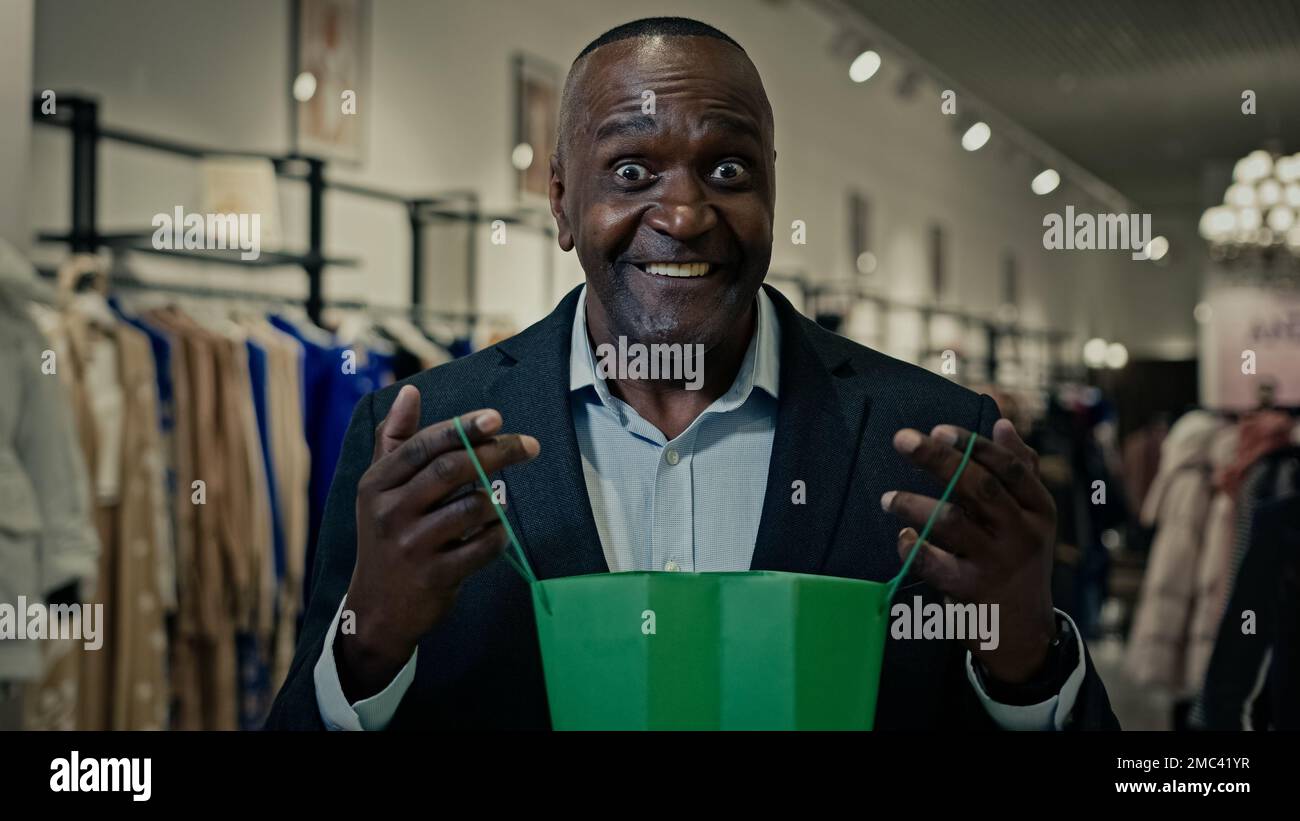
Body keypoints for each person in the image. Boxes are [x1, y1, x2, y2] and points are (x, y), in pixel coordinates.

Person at [267, 17, 1117, 730]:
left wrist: (1028, 660)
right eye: (631, 171)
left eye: (727, 169)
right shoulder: (417, 435)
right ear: (561, 201)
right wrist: (366, 637)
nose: (683, 213)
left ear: (773, 191)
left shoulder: (935, 438)